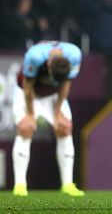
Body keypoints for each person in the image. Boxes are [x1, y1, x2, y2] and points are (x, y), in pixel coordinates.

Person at [12, 41, 85, 197]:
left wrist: (58, 112)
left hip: (53, 95)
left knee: (65, 127)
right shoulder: (34, 56)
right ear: (48, 65)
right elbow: (28, 85)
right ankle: (20, 185)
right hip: (27, 92)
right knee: (26, 128)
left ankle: (67, 184)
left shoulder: (74, 54)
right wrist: (30, 114)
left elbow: (66, 83)